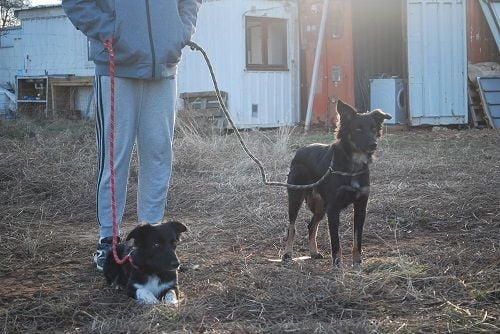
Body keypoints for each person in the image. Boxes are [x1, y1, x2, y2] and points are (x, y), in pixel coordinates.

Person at [62, 0, 202, 271]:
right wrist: (111, 31)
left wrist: (180, 33)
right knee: (115, 156)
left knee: (158, 153)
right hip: (116, 64)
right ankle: (109, 242)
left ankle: (152, 240)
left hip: (163, 66)